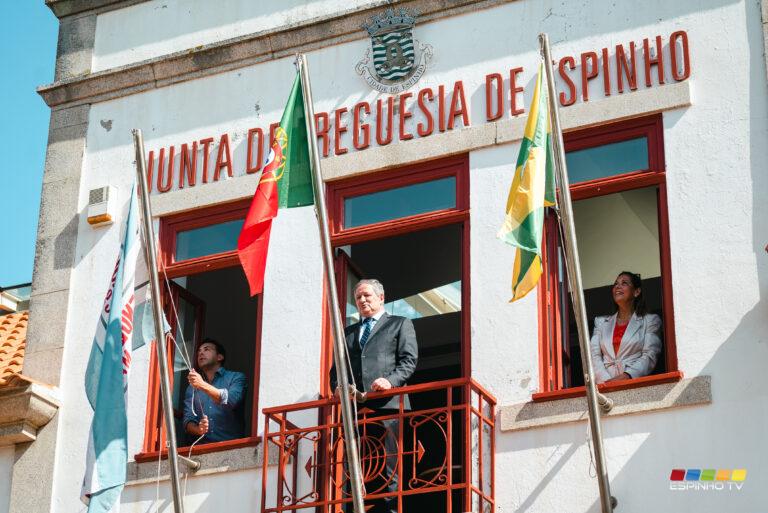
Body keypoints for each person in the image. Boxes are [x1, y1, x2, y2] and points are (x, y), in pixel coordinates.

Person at [330, 279, 418, 513]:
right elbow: (335, 372)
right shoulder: (348, 333)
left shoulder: (400, 324)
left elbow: (409, 361)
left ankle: (391, 510)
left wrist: (390, 380)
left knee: (390, 464)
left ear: (381, 297)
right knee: (354, 465)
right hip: (356, 410)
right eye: (358, 297)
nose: (362, 300)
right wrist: (337, 387)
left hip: (388, 406)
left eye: (367, 295)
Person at [590, 271, 662, 384]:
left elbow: (650, 355)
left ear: (636, 292)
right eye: (616, 284)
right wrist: (606, 383)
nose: (618, 286)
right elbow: (594, 356)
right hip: (603, 386)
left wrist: (627, 376)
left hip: (634, 383)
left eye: (624, 283)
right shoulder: (600, 323)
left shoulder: (650, 321)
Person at [183, 338, 247, 444]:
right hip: (200, 449)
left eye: (206, 349)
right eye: (199, 351)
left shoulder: (236, 377)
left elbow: (231, 400)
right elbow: (187, 419)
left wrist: (202, 385)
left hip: (231, 447)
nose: (201, 353)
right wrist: (198, 429)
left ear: (219, 357)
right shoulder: (192, 387)